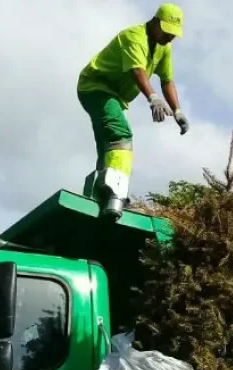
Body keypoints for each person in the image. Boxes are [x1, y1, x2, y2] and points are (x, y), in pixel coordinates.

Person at [77, 3, 189, 218]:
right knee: (121, 135)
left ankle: (99, 193)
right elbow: (138, 70)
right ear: (155, 22)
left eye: (174, 34)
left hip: (116, 97)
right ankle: (117, 194)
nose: (170, 37)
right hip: (96, 87)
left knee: (108, 147)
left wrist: (178, 111)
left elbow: (167, 79)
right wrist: (153, 99)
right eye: (167, 32)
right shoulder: (133, 36)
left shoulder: (164, 47)